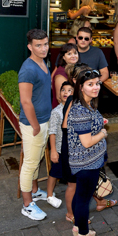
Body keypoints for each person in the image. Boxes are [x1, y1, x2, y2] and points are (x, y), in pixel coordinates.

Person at [67, 67, 108, 236]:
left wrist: (98, 123)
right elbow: (87, 142)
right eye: (90, 84)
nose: (95, 87)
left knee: (80, 196)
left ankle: (77, 227)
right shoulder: (80, 110)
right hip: (86, 163)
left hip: (90, 161)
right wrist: (103, 133)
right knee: (84, 200)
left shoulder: (87, 103)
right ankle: (83, 235)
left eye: (97, 83)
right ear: (81, 87)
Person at [18, 29, 52, 221]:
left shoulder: (43, 62)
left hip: (43, 120)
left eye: (45, 44)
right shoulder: (28, 69)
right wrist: (35, 125)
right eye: (38, 45)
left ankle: (34, 190)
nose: (43, 48)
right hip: (34, 123)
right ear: (30, 46)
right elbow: (26, 101)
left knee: (37, 158)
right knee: (30, 163)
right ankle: (27, 205)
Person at [46, 81, 74, 210]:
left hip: (71, 149)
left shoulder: (75, 109)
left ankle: (72, 191)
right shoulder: (56, 112)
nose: (65, 92)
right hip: (59, 148)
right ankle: (50, 195)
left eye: (69, 90)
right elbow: (52, 132)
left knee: (69, 173)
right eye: (63, 90)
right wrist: (53, 151)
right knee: (55, 172)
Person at [52, 43, 78, 108]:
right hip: (63, 112)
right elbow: (60, 98)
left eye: (75, 53)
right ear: (63, 57)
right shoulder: (61, 73)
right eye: (69, 54)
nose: (73, 56)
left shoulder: (75, 69)